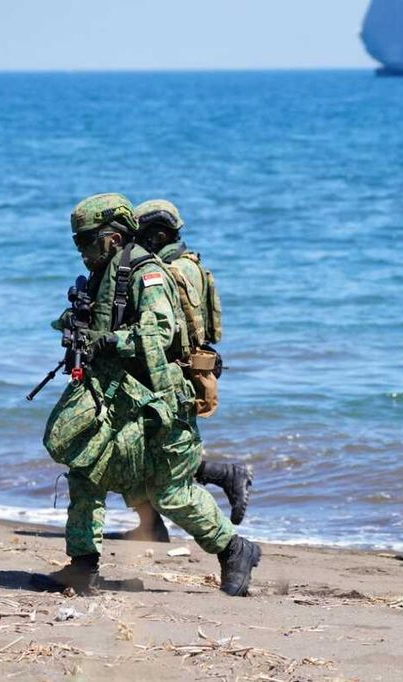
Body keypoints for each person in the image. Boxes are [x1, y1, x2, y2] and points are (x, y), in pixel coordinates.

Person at [39, 193, 260, 597]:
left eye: (87, 240)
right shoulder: (103, 274)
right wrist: (72, 322)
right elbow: (98, 318)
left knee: (169, 491)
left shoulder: (145, 273)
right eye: (77, 242)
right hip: (116, 397)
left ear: (112, 237)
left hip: (154, 400)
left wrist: (111, 341)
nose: (82, 250)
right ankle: (83, 566)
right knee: (86, 472)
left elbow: (159, 331)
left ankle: (235, 549)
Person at [128, 199, 252, 540]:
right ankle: (153, 524)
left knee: (155, 450)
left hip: (177, 370)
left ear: (160, 235)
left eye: (141, 237)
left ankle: (225, 479)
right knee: (152, 449)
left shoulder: (169, 272)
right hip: (190, 366)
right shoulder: (190, 264)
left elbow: (166, 331)